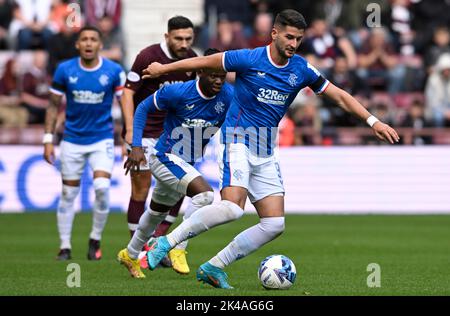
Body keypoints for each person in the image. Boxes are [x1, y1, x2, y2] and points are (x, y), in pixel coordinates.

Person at [142, 9, 400, 289]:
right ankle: (165, 243)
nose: (293, 43)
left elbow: (338, 94)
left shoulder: (301, 68)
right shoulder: (249, 58)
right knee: (231, 208)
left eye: (299, 39)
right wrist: (162, 69)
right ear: (274, 33)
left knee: (274, 224)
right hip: (237, 139)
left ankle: (214, 266)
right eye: (289, 37)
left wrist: (372, 120)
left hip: (265, 149)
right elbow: (206, 61)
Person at [118, 48, 233, 278]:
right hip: (163, 157)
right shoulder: (178, 92)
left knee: (156, 212)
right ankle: (178, 248)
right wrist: (137, 146)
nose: (219, 80)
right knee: (205, 196)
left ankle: (129, 254)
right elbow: (142, 108)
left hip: (186, 162)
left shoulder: (228, 96)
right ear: (200, 70)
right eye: (213, 75)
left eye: (222, 75)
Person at [43, 25, 125, 261]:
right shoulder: (64, 70)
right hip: (72, 140)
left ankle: (95, 239)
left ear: (100, 44)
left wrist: (127, 137)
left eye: (93, 39)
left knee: (101, 189)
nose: (89, 43)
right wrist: (48, 139)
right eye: (84, 39)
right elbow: (52, 105)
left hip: (101, 139)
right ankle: (65, 246)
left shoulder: (113, 70)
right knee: (68, 194)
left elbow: (124, 103)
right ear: (77, 44)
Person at [120, 16, 197, 270]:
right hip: (145, 133)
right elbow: (128, 92)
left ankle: (157, 241)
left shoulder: (192, 60)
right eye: (178, 38)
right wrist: (132, 131)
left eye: (188, 38)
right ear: (167, 37)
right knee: (140, 189)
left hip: (174, 136)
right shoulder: (147, 56)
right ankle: (136, 248)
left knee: (180, 188)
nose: (184, 43)